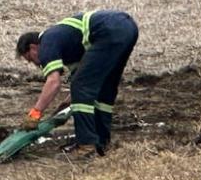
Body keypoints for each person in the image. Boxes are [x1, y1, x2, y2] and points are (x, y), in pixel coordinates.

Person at [15, 9, 139, 158]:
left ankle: (86, 145)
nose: (36, 63)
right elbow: (81, 77)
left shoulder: (46, 41)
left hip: (108, 30)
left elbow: (54, 82)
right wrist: (65, 104)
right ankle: (101, 142)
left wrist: (35, 114)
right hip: (128, 27)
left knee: (81, 87)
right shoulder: (67, 42)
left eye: (30, 58)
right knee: (105, 89)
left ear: (33, 47)